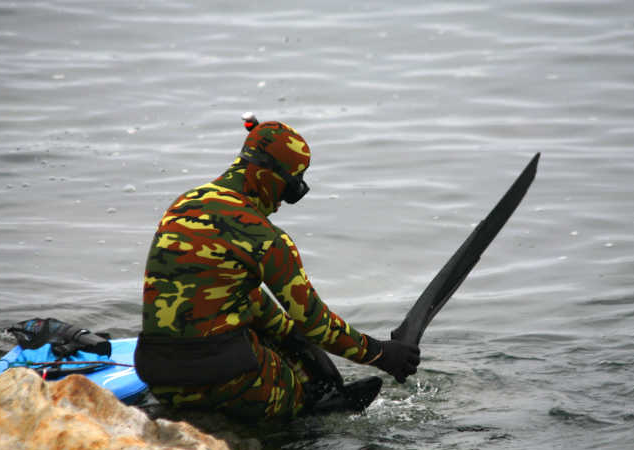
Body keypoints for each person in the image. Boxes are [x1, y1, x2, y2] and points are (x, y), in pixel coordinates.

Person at [134, 117, 420, 422]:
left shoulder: (183, 205)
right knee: (306, 399)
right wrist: (381, 354)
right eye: (291, 188)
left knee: (275, 340)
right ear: (265, 176)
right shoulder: (265, 237)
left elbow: (242, 296)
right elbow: (316, 323)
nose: (284, 201)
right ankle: (309, 424)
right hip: (222, 382)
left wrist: (293, 338)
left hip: (157, 375)